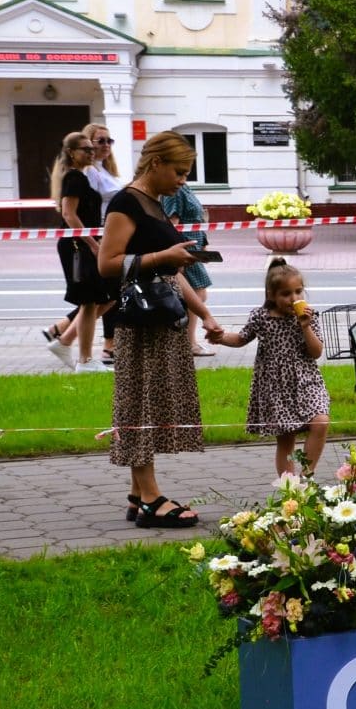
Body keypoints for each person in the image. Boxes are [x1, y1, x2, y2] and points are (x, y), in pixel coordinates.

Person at [97, 130, 227, 528]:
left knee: (149, 404)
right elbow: (107, 263)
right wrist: (162, 255)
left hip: (163, 318)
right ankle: (152, 499)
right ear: (155, 163)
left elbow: (171, 269)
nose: (183, 180)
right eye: (179, 171)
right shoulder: (125, 203)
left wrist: (203, 313)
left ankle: (139, 494)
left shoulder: (153, 202)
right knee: (140, 406)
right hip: (142, 324)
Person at [211, 258, 330, 478]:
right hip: (275, 386)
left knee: (320, 422)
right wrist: (220, 338)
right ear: (271, 295)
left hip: (306, 380)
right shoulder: (261, 317)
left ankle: (306, 476)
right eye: (286, 294)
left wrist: (305, 327)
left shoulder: (309, 317)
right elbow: (240, 339)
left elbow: (316, 352)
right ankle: (290, 488)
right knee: (286, 438)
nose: (293, 299)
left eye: (298, 291)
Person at [42, 131, 114, 371]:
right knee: (89, 300)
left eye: (91, 149)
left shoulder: (82, 177)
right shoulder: (74, 179)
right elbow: (68, 214)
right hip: (77, 246)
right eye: (86, 149)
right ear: (71, 153)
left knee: (98, 299)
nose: (91, 153)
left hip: (82, 243)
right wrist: (93, 243)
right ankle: (84, 359)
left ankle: (68, 345)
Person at [163, 177, 219, 356]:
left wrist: (203, 244)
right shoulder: (175, 190)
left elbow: (196, 219)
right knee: (195, 293)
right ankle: (189, 343)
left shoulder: (184, 187)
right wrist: (177, 253)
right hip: (186, 248)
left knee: (196, 293)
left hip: (194, 246)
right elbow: (173, 224)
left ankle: (188, 341)